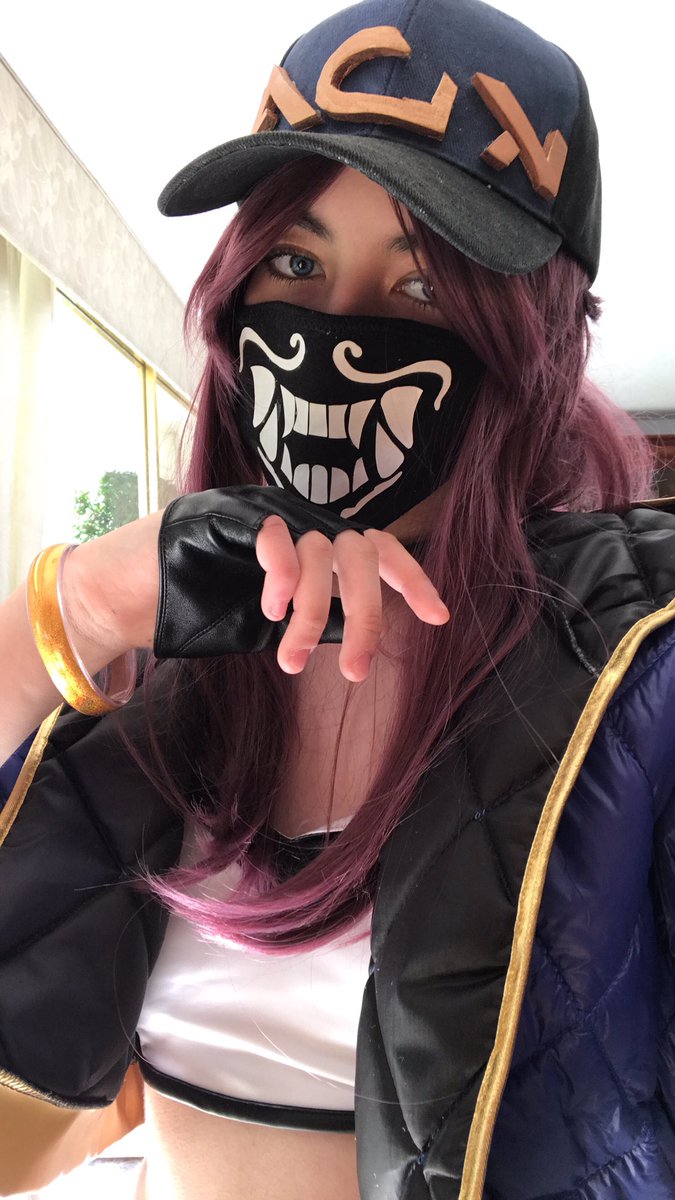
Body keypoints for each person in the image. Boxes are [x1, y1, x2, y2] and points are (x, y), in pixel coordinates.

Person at [2, 0, 675, 1198]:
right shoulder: (154, 669)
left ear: (533, 343)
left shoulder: (630, 679)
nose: (335, 336)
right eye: (297, 263)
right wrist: (83, 603)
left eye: (421, 287)